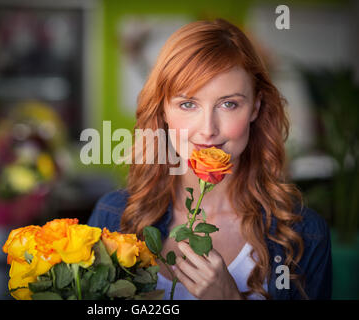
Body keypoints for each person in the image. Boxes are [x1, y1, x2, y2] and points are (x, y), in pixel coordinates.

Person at [87, 19, 332, 300]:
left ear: (255, 107)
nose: (207, 129)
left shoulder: (305, 234)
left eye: (229, 104)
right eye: (188, 104)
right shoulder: (113, 216)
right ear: (163, 110)